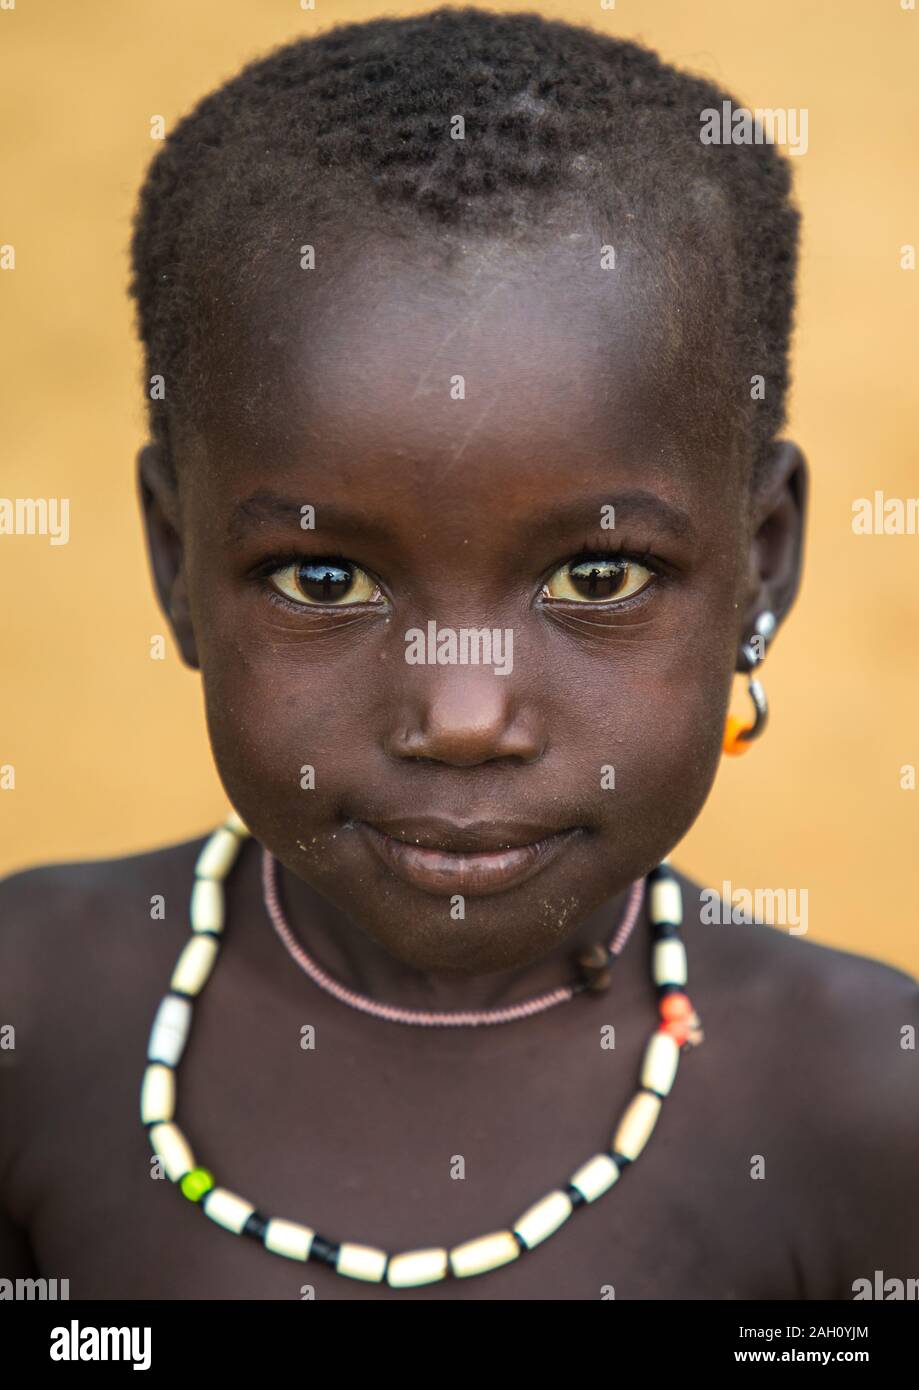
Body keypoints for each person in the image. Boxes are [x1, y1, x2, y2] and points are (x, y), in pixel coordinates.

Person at [2, 7, 917, 1301]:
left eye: (598, 575)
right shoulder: (37, 1018)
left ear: (761, 561)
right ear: (176, 565)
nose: (465, 711)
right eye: (325, 576)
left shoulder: (869, 1099)